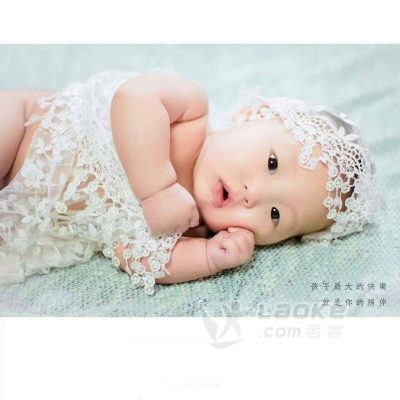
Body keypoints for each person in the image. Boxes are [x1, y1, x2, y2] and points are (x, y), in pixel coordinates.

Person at [0, 70, 380, 295]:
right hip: (26, 129)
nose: (256, 195)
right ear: (252, 115)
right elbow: (133, 97)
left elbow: (132, 256)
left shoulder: (190, 230)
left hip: (20, 216)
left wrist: (210, 258)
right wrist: (157, 190)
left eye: (276, 214)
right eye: (272, 163)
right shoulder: (190, 114)